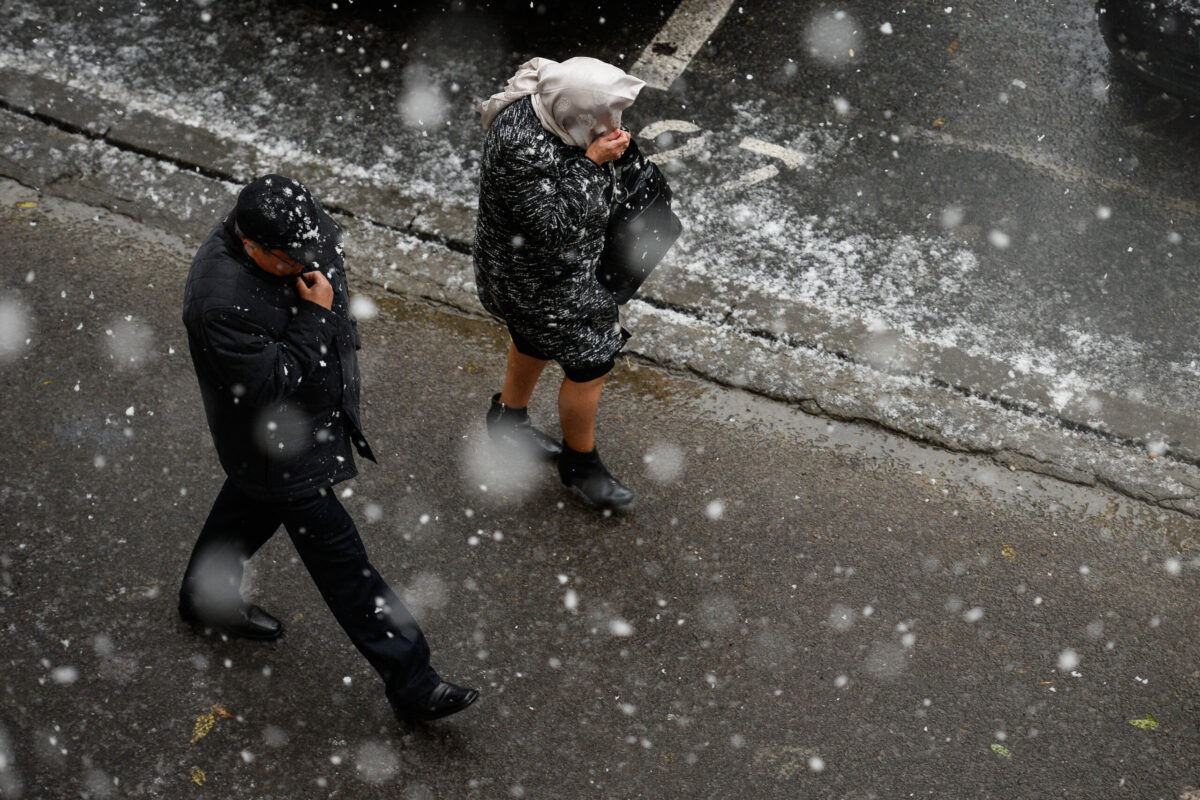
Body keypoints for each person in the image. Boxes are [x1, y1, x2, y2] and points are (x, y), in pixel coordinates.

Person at [179, 175, 477, 723]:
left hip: (290, 434)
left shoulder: (296, 229)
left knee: (248, 503)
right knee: (343, 563)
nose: (306, 264)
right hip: (277, 445)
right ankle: (413, 682)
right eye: (290, 259)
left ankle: (204, 597)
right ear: (251, 246)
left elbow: (319, 275)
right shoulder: (218, 303)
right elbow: (267, 386)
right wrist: (317, 314)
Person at [473, 57, 646, 510]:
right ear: (575, 112)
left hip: (537, 277)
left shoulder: (552, 107)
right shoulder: (521, 147)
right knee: (590, 365)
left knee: (530, 340)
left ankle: (508, 422)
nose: (613, 125)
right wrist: (593, 163)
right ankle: (581, 463)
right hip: (540, 283)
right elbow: (550, 228)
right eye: (604, 116)